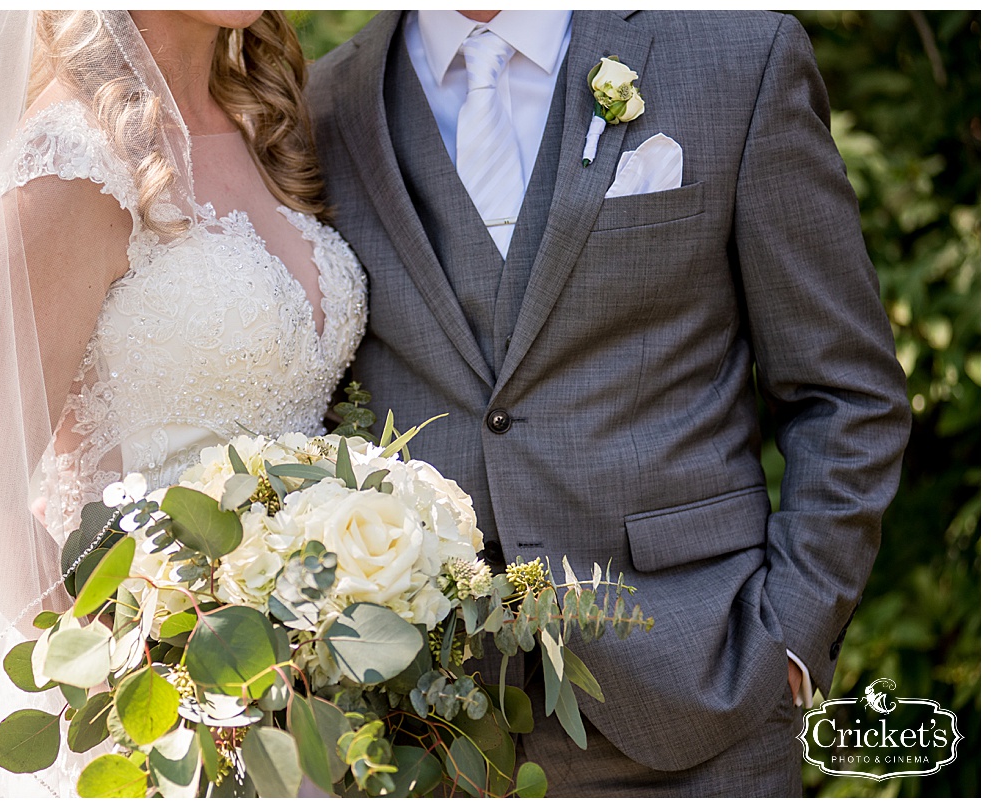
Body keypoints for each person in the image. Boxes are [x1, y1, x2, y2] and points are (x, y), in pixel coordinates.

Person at [308, 9, 910, 796]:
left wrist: (790, 642)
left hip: (700, 694)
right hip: (423, 732)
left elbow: (845, 389)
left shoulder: (733, 54)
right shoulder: (325, 104)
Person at [0, 10, 365, 797]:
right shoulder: (71, 158)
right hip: (147, 726)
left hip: (299, 701)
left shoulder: (267, 122)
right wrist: (137, 688)